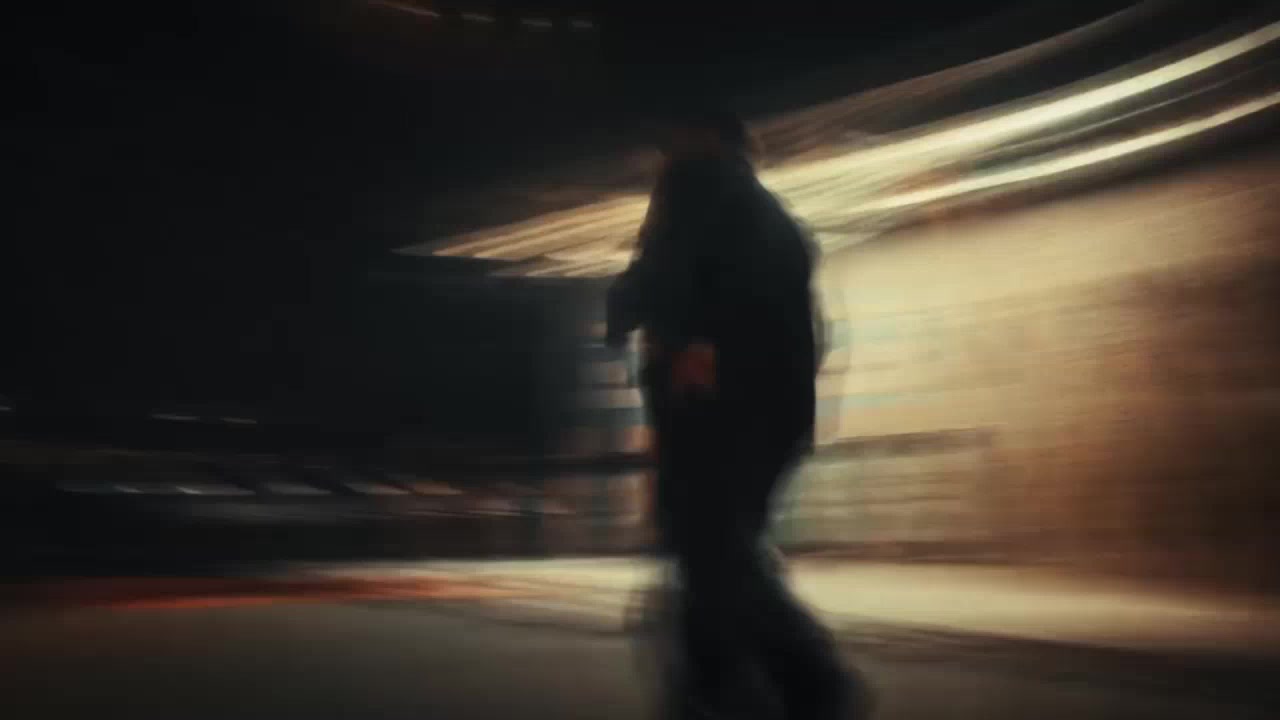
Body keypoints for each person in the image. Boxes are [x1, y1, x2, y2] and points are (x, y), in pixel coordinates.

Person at [606, 107, 873, 720]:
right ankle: (739, 683)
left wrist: (667, 329)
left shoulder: (700, 190)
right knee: (717, 551)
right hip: (766, 413)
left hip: (717, 415)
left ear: (703, 139)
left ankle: (802, 680)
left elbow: (661, 278)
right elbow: (803, 327)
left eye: (672, 140)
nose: (663, 154)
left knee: (715, 550)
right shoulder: (766, 213)